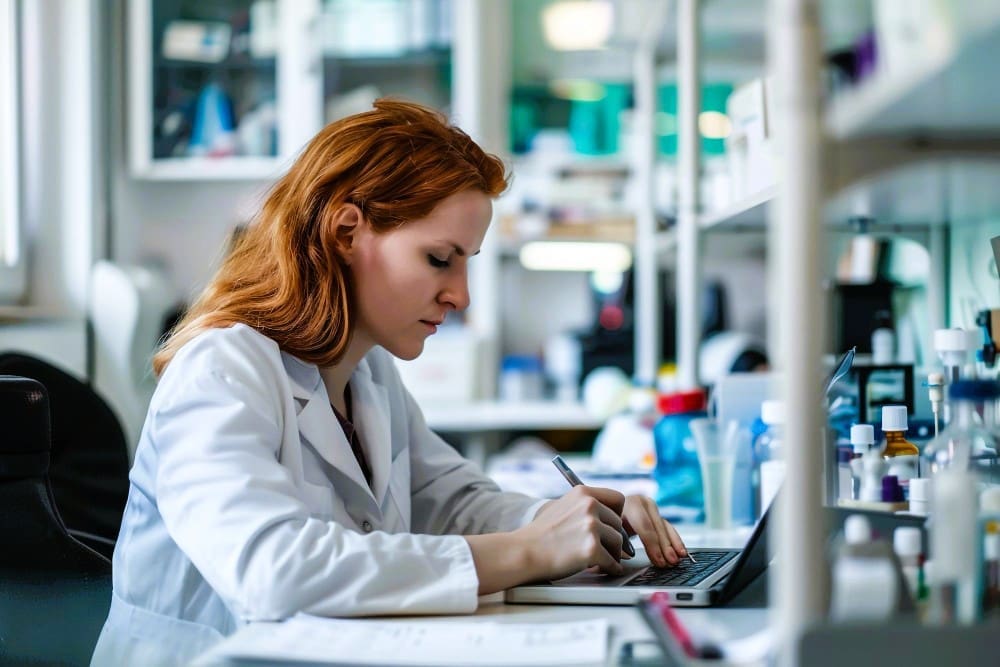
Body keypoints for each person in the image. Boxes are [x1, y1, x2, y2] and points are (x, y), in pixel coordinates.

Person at [91, 100, 689, 666]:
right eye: (438, 259)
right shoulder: (222, 369)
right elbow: (272, 571)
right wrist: (533, 549)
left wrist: (573, 521)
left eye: (466, 262)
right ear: (347, 232)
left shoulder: (367, 369)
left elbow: (453, 503)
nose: (460, 295)